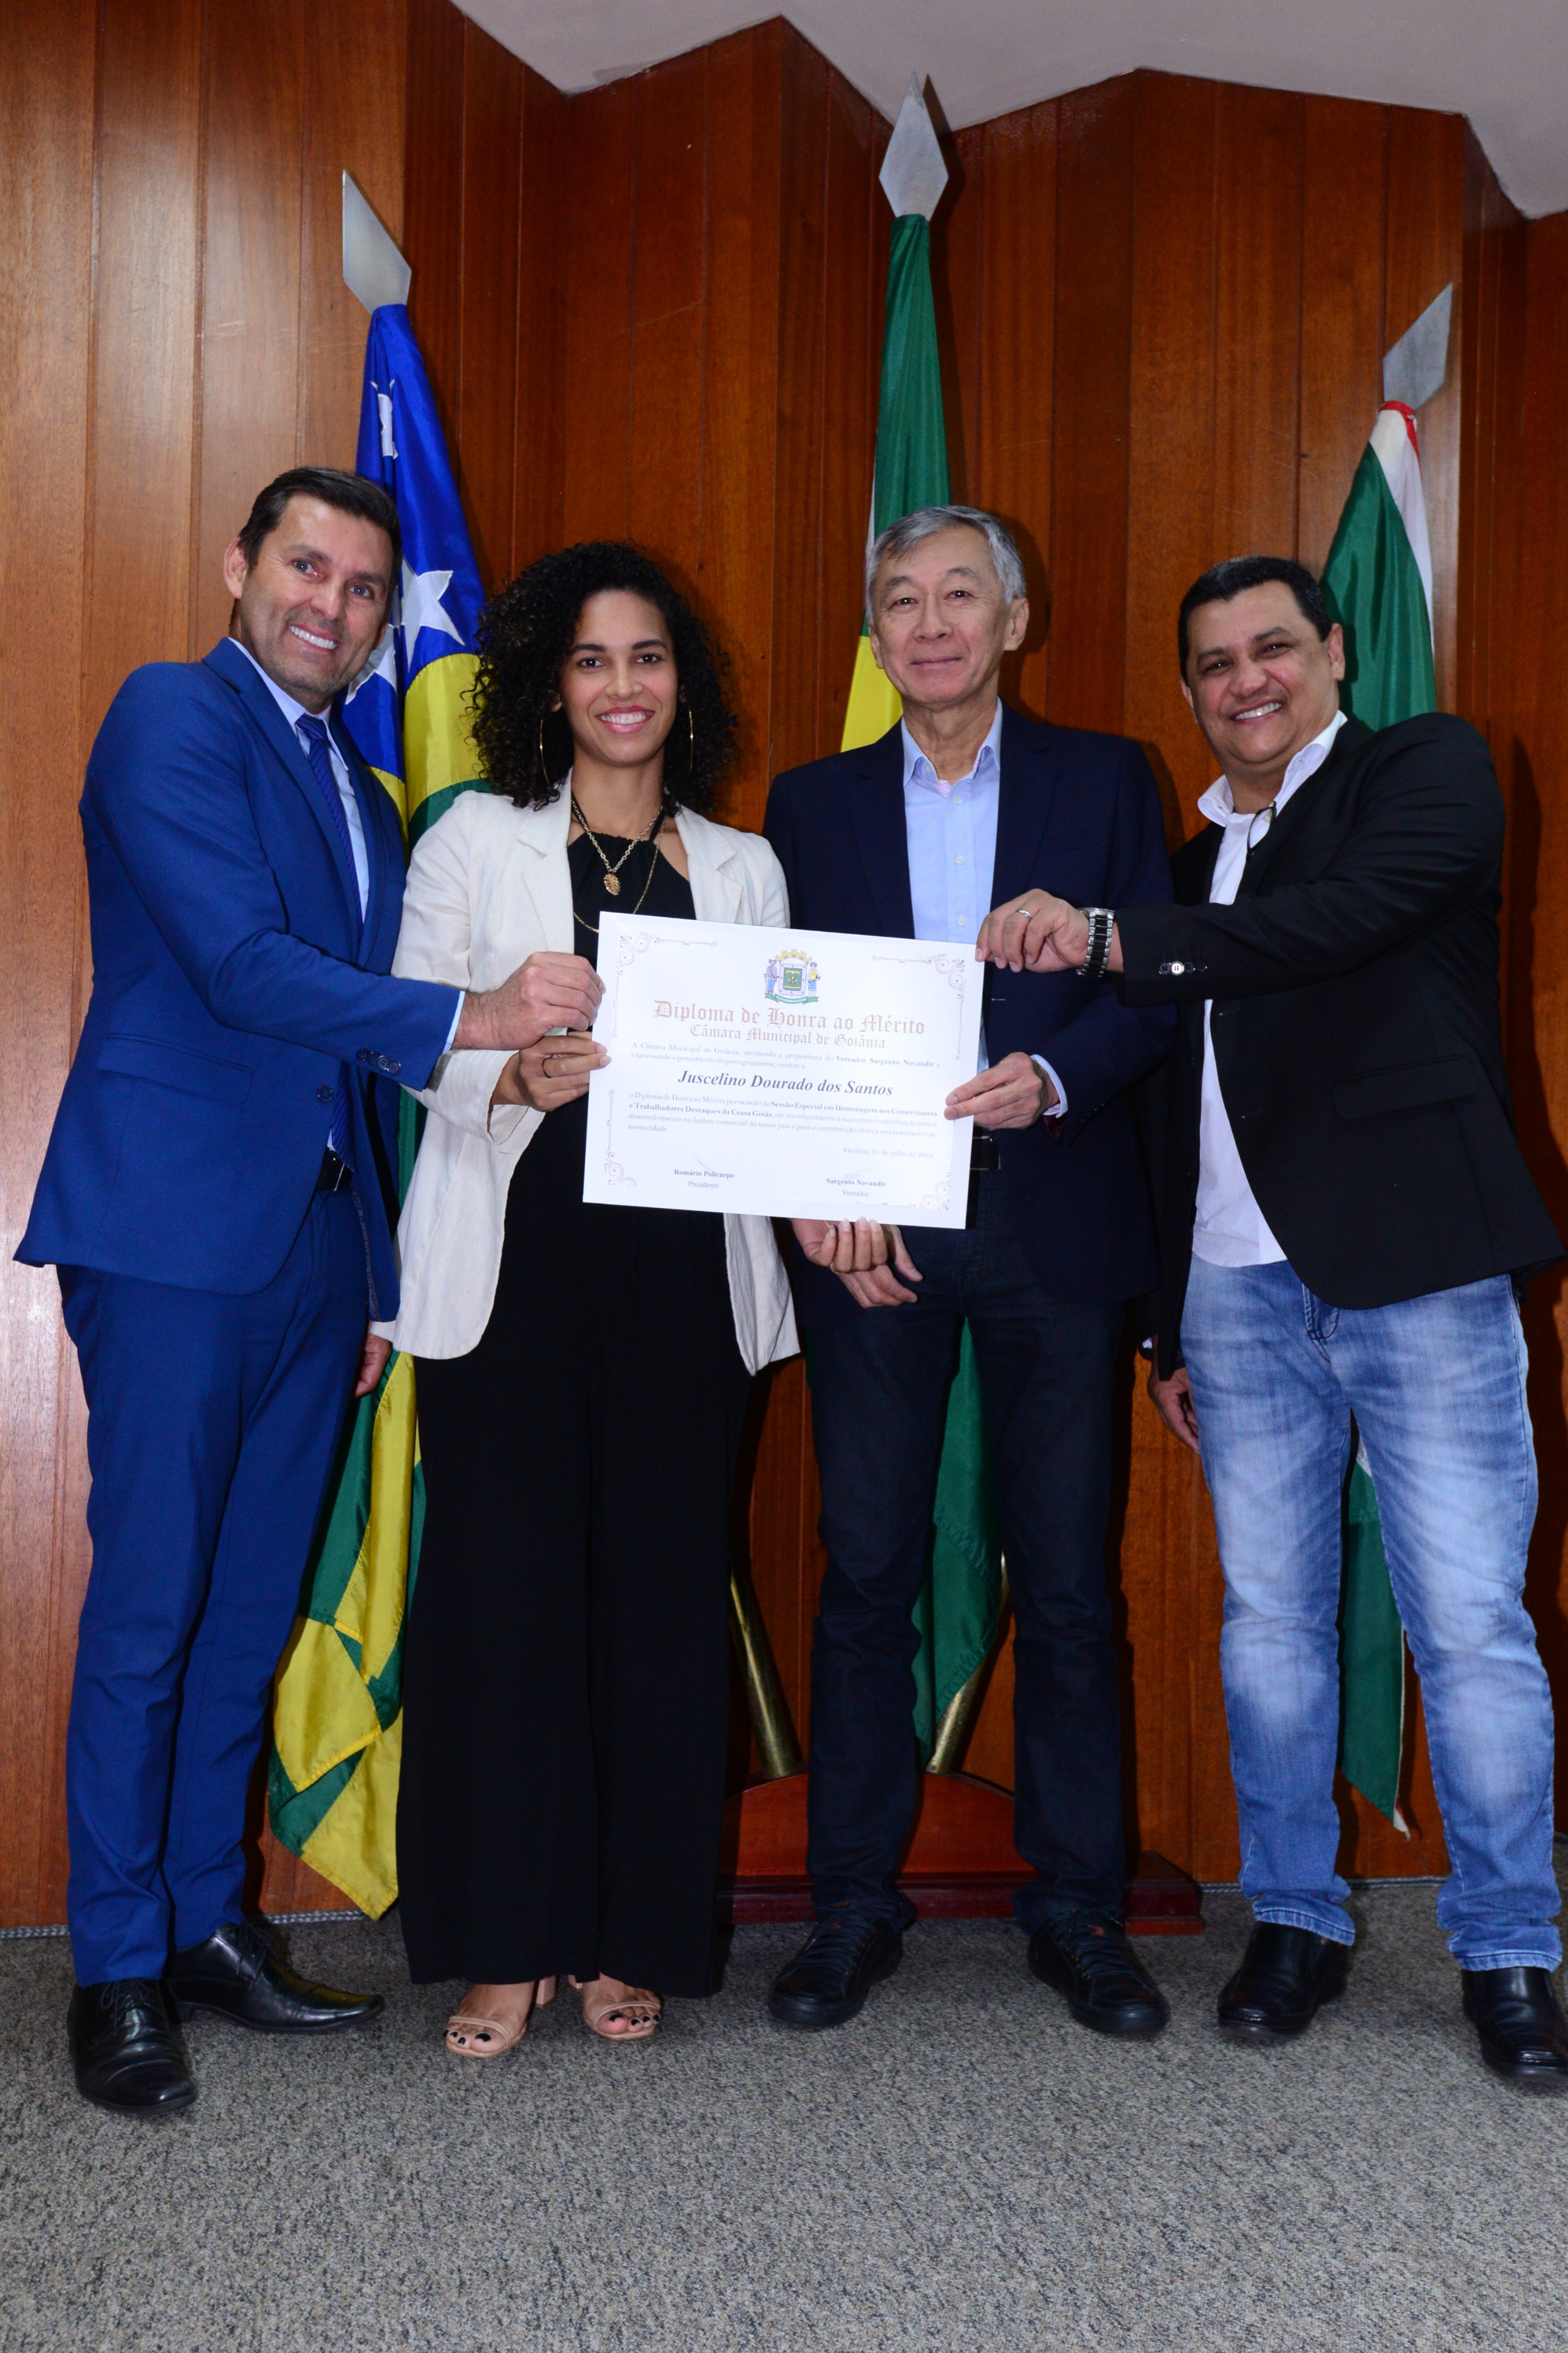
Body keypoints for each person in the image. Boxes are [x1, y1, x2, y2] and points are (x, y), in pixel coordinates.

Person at [18, 468, 595, 2118]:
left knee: (251, 1609)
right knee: (152, 1610)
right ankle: (116, 1964)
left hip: (314, 1259)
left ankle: (203, 1921)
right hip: (172, 1236)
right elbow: (238, 967)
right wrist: (480, 1017)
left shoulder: (359, 784)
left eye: (361, 587)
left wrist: (369, 1279)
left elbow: (345, 1059)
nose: (331, 605)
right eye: (305, 567)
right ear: (241, 565)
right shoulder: (170, 718)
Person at [979, 554, 1567, 2089]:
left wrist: (1112, 935)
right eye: (1215, 662)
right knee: (1269, 1628)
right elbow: (1159, 1096)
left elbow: (1332, 924)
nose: (1246, 679)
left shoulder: (1423, 771)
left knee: (1470, 1626)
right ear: (1190, 691)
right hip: (1232, 1293)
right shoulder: (1185, 863)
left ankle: (1508, 1947)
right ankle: (1294, 1923)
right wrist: (1164, 1326)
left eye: (1273, 648)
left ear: (1333, 652)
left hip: (1419, 1269)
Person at [760, 504, 1176, 2035]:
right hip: (871, 1236)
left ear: (1013, 618)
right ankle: (848, 1905)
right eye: (899, 600)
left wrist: (1055, 1079)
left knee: (1065, 1579)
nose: (928, 624)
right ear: (873, 634)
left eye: (957, 596)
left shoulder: (1107, 778)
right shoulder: (807, 804)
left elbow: (1154, 988)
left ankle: (1076, 1909)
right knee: (865, 1566)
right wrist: (817, 1189)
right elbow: (782, 1019)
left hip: (1054, 1219)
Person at [384, 541, 796, 2056]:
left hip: (686, 1278)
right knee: (502, 1600)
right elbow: (408, 1034)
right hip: (513, 1266)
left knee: (660, 1604)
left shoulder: (744, 867)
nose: (623, 685)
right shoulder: (473, 841)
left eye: (648, 657)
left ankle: (632, 1936)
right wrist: (510, 1077)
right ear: (548, 688)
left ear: (684, 684)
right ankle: (505, 1945)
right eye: (591, 659)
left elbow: (778, 1074)